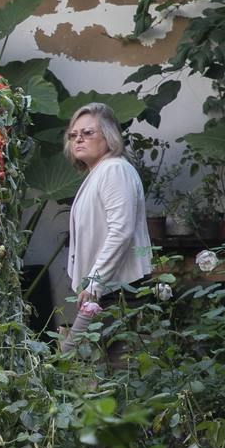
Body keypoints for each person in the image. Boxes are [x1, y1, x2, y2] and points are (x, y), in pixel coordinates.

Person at [61, 102, 152, 356]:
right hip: (105, 289)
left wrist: (94, 283)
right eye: (73, 135)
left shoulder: (114, 169)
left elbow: (120, 231)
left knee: (116, 367)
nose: (78, 139)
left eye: (88, 133)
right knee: (101, 367)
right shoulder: (100, 171)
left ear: (109, 137)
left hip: (119, 288)